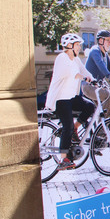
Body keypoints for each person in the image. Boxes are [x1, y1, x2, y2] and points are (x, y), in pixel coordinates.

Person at [45, 33, 95, 171]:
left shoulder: (76, 60)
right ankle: (63, 159)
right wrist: (83, 77)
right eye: (78, 45)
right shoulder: (62, 58)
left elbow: (84, 70)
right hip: (60, 100)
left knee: (90, 106)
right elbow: (72, 73)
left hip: (71, 98)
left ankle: (76, 126)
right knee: (66, 127)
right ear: (69, 46)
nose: (80, 47)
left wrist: (92, 78)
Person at [84, 29, 110, 115]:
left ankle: (103, 124)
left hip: (98, 85)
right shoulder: (95, 51)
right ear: (101, 41)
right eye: (108, 40)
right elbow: (100, 64)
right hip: (88, 86)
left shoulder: (105, 55)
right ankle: (102, 126)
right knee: (108, 96)